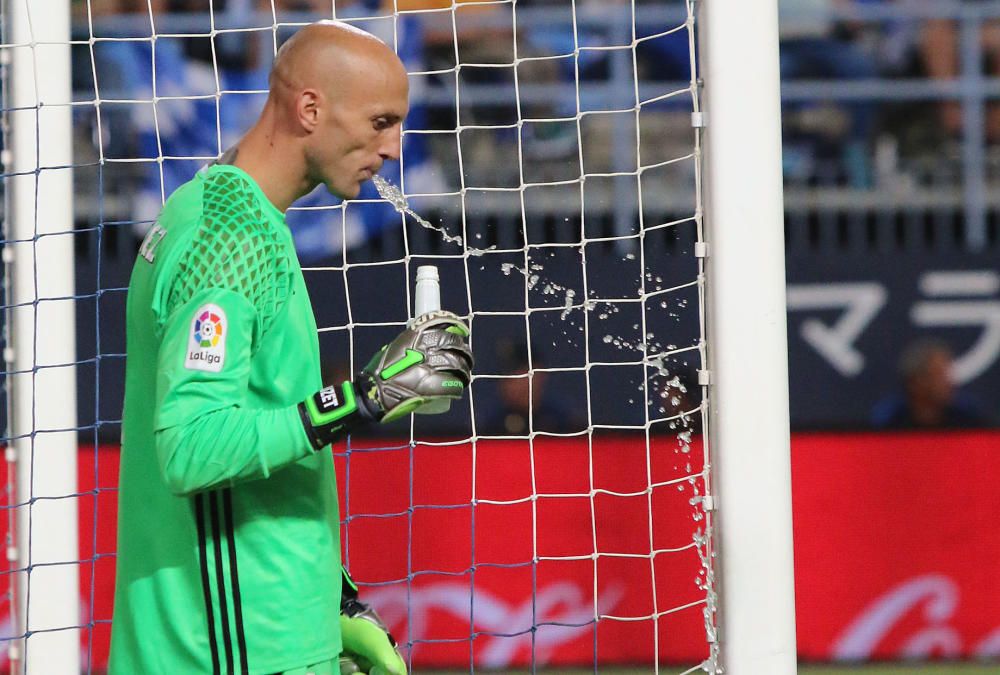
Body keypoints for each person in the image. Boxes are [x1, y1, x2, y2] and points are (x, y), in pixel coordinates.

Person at [108, 21, 473, 675]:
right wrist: (365, 396)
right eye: (381, 121)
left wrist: (328, 596)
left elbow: (261, 434)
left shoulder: (241, 217)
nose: (394, 147)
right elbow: (192, 450)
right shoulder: (228, 239)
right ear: (310, 109)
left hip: (272, 632)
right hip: (230, 649)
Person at [871, 338, 990, 429]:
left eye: (947, 374)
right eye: (939, 375)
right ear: (916, 382)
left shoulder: (967, 418)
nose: (948, 382)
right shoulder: (889, 420)